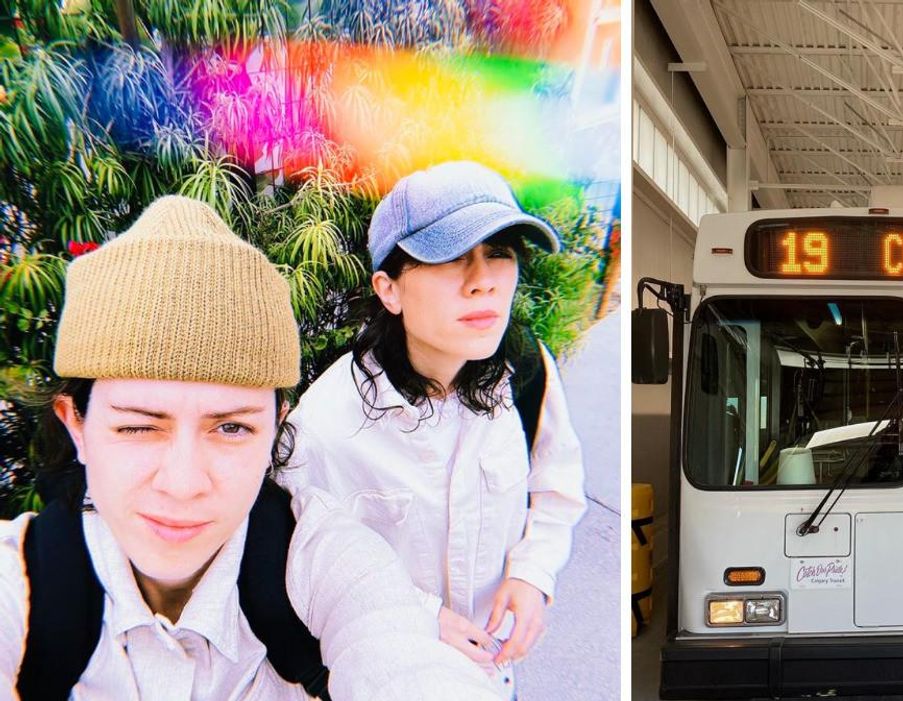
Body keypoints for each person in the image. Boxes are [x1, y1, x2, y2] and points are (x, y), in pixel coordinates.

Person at [0, 196, 504, 700]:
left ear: (276, 428)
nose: (182, 484)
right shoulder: (22, 588)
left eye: (232, 429)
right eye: (138, 428)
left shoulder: (315, 566)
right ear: (77, 426)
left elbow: (396, 653)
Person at [280, 161, 587, 695]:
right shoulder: (325, 427)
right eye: (449, 257)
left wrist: (533, 575)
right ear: (389, 289)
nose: (483, 282)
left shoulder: (526, 375)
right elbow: (297, 573)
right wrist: (415, 617)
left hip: (497, 678)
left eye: (499, 254)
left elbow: (556, 490)